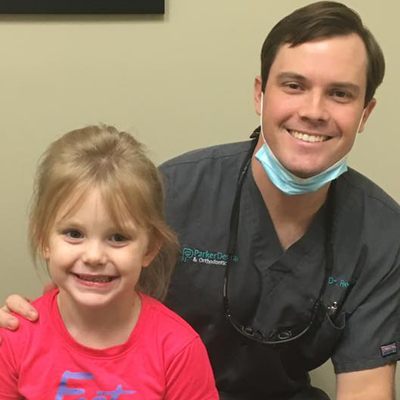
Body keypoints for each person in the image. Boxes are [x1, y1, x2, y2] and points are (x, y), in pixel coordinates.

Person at [1, 1, 400, 399]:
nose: (314, 111)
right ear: (260, 94)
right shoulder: (173, 191)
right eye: (294, 85)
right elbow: (87, 282)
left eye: (340, 94)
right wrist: (25, 328)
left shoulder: (380, 233)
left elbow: (366, 387)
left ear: (365, 113)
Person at [0, 125, 218, 399]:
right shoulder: (15, 337)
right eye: (74, 234)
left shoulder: (177, 350)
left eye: (117, 237)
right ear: (43, 238)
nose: (94, 257)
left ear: (149, 248)